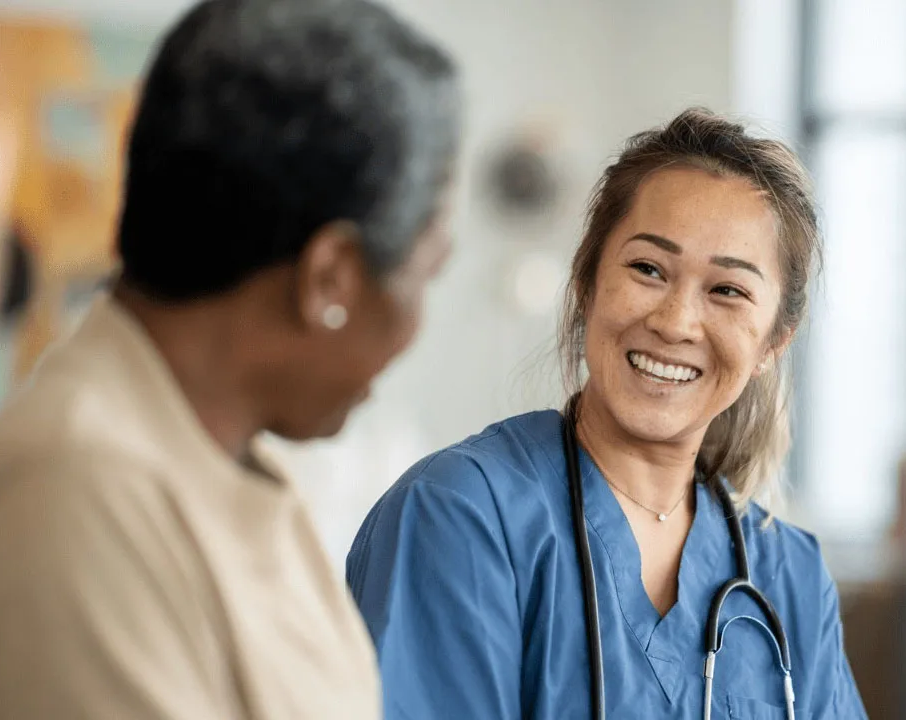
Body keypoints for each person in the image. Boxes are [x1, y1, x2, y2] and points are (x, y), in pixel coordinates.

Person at [0, 0, 460, 717]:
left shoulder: (235, 467)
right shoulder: (74, 485)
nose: (416, 326)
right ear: (331, 277)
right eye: (426, 273)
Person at [347, 109, 868, 719]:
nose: (675, 322)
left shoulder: (791, 577)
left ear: (776, 339)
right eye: (648, 269)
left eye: (727, 290)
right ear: (587, 281)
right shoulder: (460, 515)